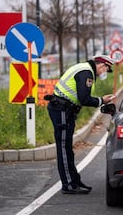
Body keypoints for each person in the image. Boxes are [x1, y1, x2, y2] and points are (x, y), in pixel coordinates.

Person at [47, 55, 116, 194]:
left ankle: (74, 180)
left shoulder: (85, 69)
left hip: (65, 110)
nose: (105, 72)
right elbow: (84, 98)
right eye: (106, 69)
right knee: (64, 149)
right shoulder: (86, 73)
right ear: (101, 65)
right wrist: (102, 100)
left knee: (67, 148)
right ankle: (68, 184)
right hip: (61, 110)